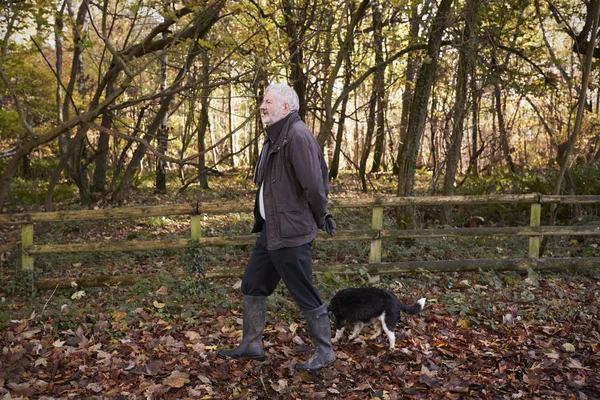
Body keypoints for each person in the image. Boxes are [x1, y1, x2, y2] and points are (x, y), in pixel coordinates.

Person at [217, 82, 337, 372]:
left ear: (286, 107)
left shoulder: (297, 136)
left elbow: (314, 187)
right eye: (262, 100)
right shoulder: (276, 136)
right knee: (253, 283)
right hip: (273, 230)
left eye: (268, 101)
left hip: (292, 232)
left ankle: (325, 351)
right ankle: (251, 344)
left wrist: (321, 218)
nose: (262, 106)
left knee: (303, 290)